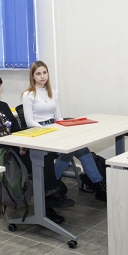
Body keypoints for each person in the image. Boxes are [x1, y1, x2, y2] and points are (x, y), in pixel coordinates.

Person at [0, 71, 74, 224]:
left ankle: (49, 196)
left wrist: (22, 142)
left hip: (14, 146)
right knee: (38, 159)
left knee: (44, 153)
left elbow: (16, 129)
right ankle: (48, 200)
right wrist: (12, 144)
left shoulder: (3, 106)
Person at [22, 61, 107, 201]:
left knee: (81, 148)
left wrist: (64, 130)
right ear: (32, 76)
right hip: (40, 132)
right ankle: (53, 183)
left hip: (55, 128)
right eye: (38, 74)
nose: (42, 76)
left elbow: (59, 117)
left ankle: (98, 185)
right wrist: (48, 130)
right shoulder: (28, 95)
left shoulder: (53, 93)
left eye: (45, 72)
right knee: (70, 151)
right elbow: (30, 122)